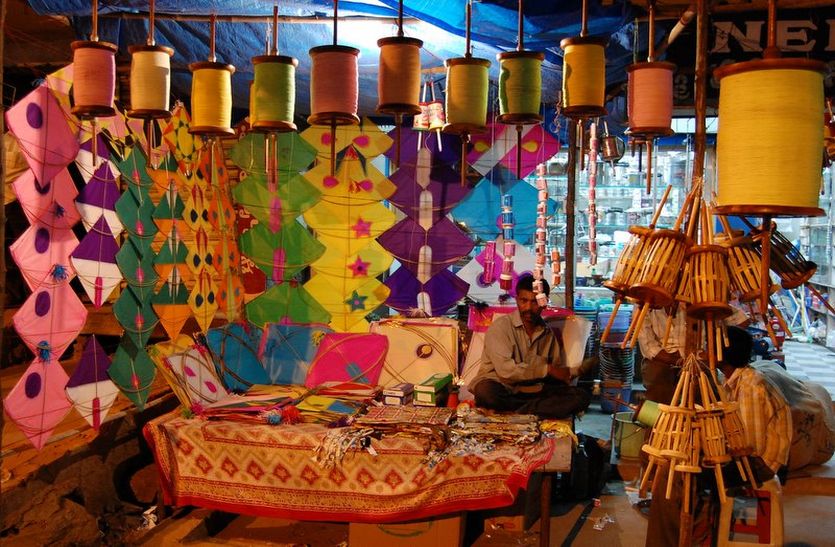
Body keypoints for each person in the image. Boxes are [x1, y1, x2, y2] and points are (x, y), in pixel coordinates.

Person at [645, 326, 791, 546]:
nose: (704, 351)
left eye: (709, 347)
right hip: (746, 457)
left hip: (757, 464)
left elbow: (749, 448)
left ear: (722, 354)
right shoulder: (734, 380)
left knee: (676, 476)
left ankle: (683, 535)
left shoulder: (751, 386)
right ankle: (686, 529)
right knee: (676, 463)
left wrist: (705, 452)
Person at [468, 274, 591, 420]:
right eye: (523, 300)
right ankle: (533, 410)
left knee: (581, 397)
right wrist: (547, 369)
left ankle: (517, 411)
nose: (528, 308)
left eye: (535, 302)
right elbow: (506, 372)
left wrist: (567, 374)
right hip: (502, 387)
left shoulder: (547, 334)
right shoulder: (500, 328)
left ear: (544, 302)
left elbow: (555, 372)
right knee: (485, 393)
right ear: (517, 300)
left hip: (531, 391)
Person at [638, 304, 749, 405]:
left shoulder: (696, 298)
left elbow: (741, 320)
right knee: (658, 386)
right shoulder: (646, 303)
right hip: (661, 359)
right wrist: (678, 361)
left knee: (705, 397)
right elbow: (648, 346)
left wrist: (713, 341)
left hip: (697, 357)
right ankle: (660, 422)